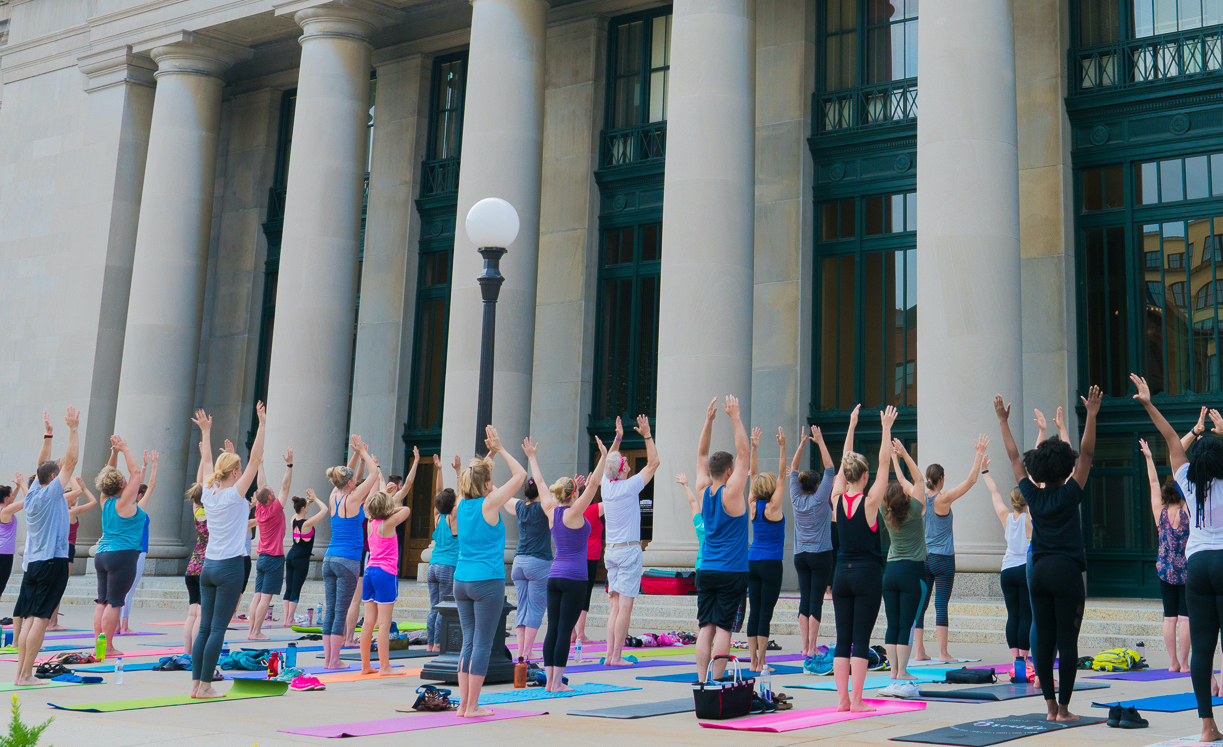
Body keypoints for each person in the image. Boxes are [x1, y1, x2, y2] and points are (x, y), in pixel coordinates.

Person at [996, 385, 1099, 723]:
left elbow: (1014, 458)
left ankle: (1050, 707)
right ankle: (1065, 710)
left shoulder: (1032, 497)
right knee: (1067, 641)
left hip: (1038, 571)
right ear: (1062, 469)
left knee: (1043, 638)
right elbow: (1085, 456)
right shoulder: (1071, 493)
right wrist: (1092, 415)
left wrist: (1003, 421)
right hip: (1066, 572)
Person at [1136, 378, 1223, 741]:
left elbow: (1172, 439)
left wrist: (1148, 404)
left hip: (1197, 566)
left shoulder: (1186, 480)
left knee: (1202, 648)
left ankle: (1207, 728)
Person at [191, 403, 266, 698]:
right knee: (218, 629)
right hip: (229, 566)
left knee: (205, 628)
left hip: (208, 566)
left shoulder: (208, 492)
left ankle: (197, 684)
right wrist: (262, 424)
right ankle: (206, 685)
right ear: (235, 472)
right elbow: (256, 458)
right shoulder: (236, 496)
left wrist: (206, 431)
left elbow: (207, 459)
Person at [454, 425, 528, 718]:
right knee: (482, 644)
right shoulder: (490, 503)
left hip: (462, 580)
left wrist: (489, 456)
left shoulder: (460, 505)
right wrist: (501, 450)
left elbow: (474, 474)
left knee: (468, 642)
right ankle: (472, 705)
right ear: (487, 485)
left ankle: (463, 705)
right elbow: (521, 476)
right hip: (487, 581)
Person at [831, 405, 895, 713]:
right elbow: (885, 463)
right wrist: (885, 428)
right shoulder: (870, 504)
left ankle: (843, 699)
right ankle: (856, 700)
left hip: (841, 574)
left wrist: (851, 426)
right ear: (865, 476)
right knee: (860, 638)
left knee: (843, 638)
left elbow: (843, 466)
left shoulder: (836, 499)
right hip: (867, 575)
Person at [13, 406, 80, 687]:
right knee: (39, 619)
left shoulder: (32, 496)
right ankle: (26, 674)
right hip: (52, 561)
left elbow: (42, 466)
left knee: (30, 619)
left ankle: (21, 674)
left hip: (34, 564)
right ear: (54, 480)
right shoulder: (52, 493)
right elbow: (71, 463)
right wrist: (73, 429)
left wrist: (48, 434)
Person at [911, 435, 989, 662]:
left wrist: (898, 459)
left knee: (921, 605)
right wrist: (978, 453)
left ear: (927, 479)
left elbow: (905, 481)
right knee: (941, 605)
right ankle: (943, 653)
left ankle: (919, 652)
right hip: (943, 560)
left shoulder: (921, 499)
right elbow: (971, 480)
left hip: (925, 558)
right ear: (941, 480)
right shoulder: (943, 500)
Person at [543, 437, 610, 691]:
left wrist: (533, 459)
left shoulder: (552, 511)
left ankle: (549, 681)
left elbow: (540, 483)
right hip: (575, 579)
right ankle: (557, 683)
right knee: (565, 630)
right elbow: (594, 485)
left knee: (553, 628)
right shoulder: (574, 513)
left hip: (554, 577)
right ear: (574, 494)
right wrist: (604, 456)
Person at [693, 396, 751, 682]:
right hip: (731, 571)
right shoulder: (732, 494)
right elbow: (744, 452)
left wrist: (709, 421)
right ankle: (717, 681)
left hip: (707, 570)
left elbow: (702, 455)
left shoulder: (703, 489)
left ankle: (702, 679)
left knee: (706, 627)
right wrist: (735, 416)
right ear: (729, 472)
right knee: (724, 628)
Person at [602, 414, 659, 667]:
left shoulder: (606, 485)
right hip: (628, 552)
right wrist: (646, 434)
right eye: (625, 463)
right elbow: (654, 462)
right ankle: (616, 657)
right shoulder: (629, 486)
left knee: (614, 608)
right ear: (624, 469)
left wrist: (618, 439)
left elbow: (608, 462)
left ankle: (609, 656)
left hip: (611, 551)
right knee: (624, 608)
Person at [321, 436, 380, 670]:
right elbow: (374, 474)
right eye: (354, 479)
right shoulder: (354, 498)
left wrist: (354, 454)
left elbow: (344, 475)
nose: (356, 481)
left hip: (329, 559)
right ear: (350, 483)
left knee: (330, 610)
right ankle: (334, 660)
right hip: (348, 561)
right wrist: (364, 452)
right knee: (340, 611)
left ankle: (328, 659)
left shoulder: (334, 496)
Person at [91, 437, 150, 658]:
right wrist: (124, 448)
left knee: (102, 601)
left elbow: (107, 474)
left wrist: (114, 453)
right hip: (122, 555)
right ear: (122, 484)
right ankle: (108, 647)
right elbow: (136, 474)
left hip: (102, 554)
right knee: (115, 602)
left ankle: (99, 646)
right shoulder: (125, 501)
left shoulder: (105, 499)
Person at [879, 441, 928, 697]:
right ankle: (902, 672)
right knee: (907, 624)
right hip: (912, 573)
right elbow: (919, 479)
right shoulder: (916, 510)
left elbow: (900, 486)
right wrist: (906, 454)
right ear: (906, 499)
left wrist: (894, 460)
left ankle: (893, 671)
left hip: (890, 573)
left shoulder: (885, 511)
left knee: (893, 623)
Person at [790, 425, 836, 667]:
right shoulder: (820, 499)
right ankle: (811, 646)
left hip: (801, 556)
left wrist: (801, 445)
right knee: (816, 601)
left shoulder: (796, 499)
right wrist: (819, 441)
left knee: (804, 600)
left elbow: (793, 470)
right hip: (821, 556)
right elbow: (830, 469)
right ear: (818, 486)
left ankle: (804, 646)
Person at [508, 438, 555, 660]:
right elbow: (543, 483)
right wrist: (532, 457)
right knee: (535, 610)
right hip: (539, 562)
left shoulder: (519, 506)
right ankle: (527, 653)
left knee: (522, 608)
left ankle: (520, 652)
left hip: (519, 563)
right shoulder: (544, 508)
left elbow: (503, 496)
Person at [746, 427, 788, 674]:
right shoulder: (773, 507)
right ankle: (761, 662)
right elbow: (782, 475)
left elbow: (753, 475)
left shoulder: (753, 505)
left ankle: (752, 661)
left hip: (753, 562)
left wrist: (755, 448)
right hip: (771, 563)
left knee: (755, 611)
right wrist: (782, 447)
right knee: (765, 614)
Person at [983, 457, 1032, 665]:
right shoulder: (1030, 519)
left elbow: (994, 493)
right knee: (1026, 614)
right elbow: (1038, 486)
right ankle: (1024, 655)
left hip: (1008, 570)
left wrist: (985, 471)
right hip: (1025, 569)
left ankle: (1015, 658)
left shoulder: (1005, 516)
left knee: (1012, 613)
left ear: (1012, 501)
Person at [360, 483, 412, 675]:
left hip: (370, 571)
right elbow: (406, 509)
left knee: (368, 622)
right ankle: (384, 666)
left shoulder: (371, 524)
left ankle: (366, 665)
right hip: (385, 573)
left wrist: (383, 500)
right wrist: (390, 505)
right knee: (384, 623)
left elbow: (369, 510)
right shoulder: (387, 523)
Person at [246, 450, 293, 640]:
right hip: (274, 558)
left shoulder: (259, 508)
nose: (273, 490)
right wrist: (289, 466)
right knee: (265, 597)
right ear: (271, 498)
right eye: (272, 493)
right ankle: (256, 631)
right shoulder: (274, 510)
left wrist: (260, 464)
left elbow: (262, 486)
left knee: (257, 595)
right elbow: (285, 487)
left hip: (261, 557)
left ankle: (251, 631)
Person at [426, 455, 461, 653]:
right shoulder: (451, 518)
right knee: (444, 607)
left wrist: (438, 469)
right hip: (448, 566)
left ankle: (430, 643)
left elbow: (438, 493)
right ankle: (439, 643)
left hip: (432, 566)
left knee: (434, 606)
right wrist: (458, 472)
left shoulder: (438, 516)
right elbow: (461, 498)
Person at [284, 488, 328, 627]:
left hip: (291, 556)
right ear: (303, 508)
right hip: (301, 559)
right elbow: (324, 510)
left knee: (289, 588)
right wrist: (315, 499)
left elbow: (301, 512)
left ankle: (286, 618)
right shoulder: (307, 524)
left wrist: (307, 504)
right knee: (296, 589)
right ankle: (290, 619)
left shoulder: (293, 519)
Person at [574, 483, 602, 644]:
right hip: (589, 556)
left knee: (574, 593)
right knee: (585, 595)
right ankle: (580, 633)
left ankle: (572, 632)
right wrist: (602, 483)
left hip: (576, 556)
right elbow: (614, 500)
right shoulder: (591, 510)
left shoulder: (572, 510)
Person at [0, 476, 27, 607]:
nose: (13, 497)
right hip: (3, 555)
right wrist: (22, 484)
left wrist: (15, 488)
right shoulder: (6, 511)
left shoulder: (4, 509)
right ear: (6, 498)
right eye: (11, 495)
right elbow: (28, 499)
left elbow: (11, 502)